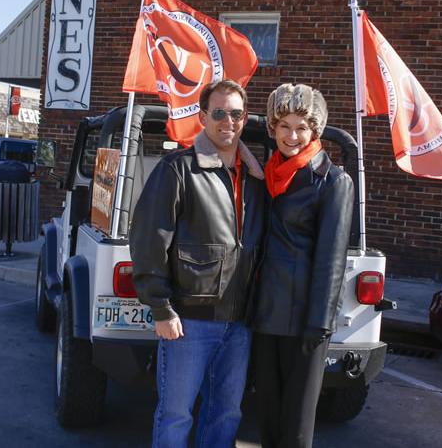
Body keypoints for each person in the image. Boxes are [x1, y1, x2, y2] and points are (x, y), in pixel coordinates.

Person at [129, 79, 265, 448]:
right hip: (188, 322)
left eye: (235, 113)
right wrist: (160, 307)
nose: (228, 121)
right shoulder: (177, 169)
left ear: (245, 117)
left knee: (226, 413)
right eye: (218, 112)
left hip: (238, 324)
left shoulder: (255, 179)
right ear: (203, 116)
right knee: (176, 415)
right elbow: (149, 239)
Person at [251, 83, 354, 448]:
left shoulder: (333, 181)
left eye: (302, 127)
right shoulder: (266, 175)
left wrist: (320, 324)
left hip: (304, 322)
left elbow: (332, 259)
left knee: (295, 429)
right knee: (267, 417)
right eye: (284, 126)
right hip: (265, 315)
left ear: (316, 130)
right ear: (272, 128)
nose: (292, 136)